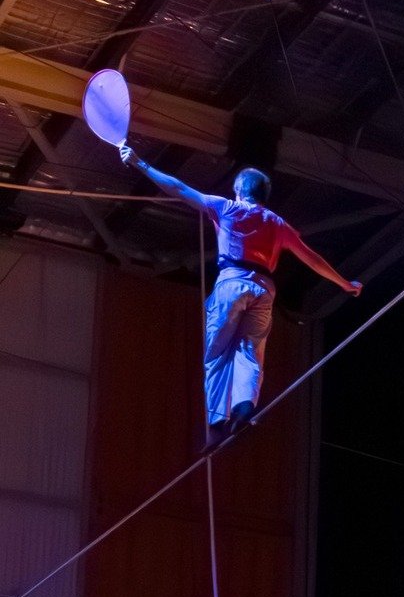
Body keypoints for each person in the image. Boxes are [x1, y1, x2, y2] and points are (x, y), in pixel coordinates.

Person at [120, 149, 361, 436]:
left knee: (218, 353)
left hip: (231, 283)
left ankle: (217, 423)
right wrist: (345, 284)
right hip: (263, 289)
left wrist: (141, 163)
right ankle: (245, 404)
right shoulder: (277, 223)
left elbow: (179, 187)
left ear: (238, 190)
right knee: (250, 352)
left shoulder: (225, 208)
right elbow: (312, 258)